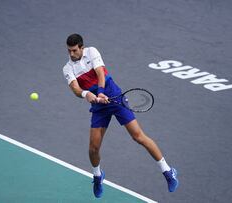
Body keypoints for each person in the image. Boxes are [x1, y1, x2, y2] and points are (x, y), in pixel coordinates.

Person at [62, 33, 178, 198]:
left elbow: (100, 74)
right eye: (69, 51)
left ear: (82, 47)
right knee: (93, 148)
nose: (71, 54)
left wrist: (101, 92)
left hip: (115, 98)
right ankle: (97, 176)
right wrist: (87, 94)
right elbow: (75, 88)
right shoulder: (67, 68)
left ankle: (168, 171)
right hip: (98, 107)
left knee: (138, 137)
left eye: (74, 50)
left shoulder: (92, 52)